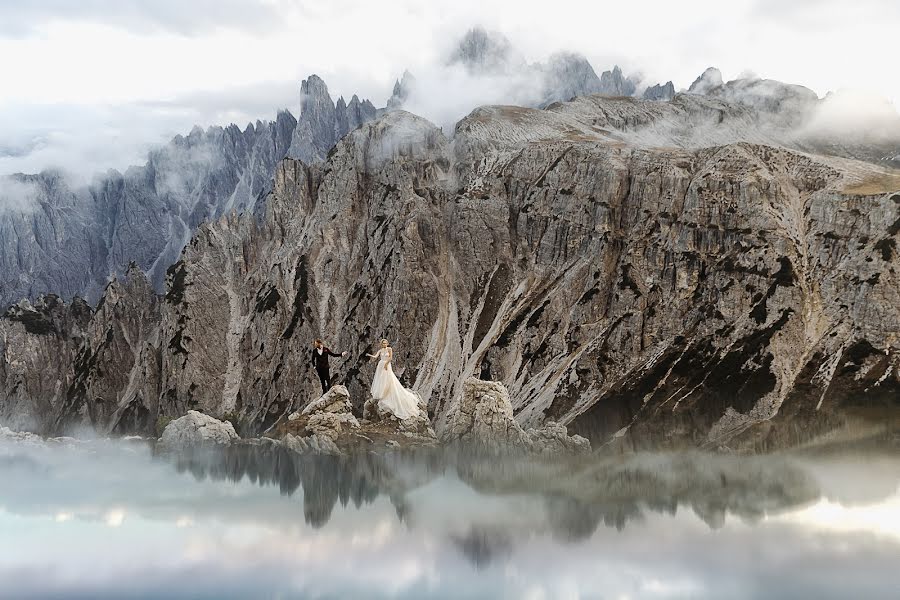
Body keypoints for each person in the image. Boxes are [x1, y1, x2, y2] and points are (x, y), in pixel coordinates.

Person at [366, 339, 420, 420]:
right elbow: (376, 356)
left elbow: (390, 358)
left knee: (389, 377)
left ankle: (388, 390)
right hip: (381, 364)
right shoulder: (381, 350)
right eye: (383, 343)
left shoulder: (389, 349)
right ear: (381, 344)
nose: (384, 344)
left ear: (387, 343)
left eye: (385, 343)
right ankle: (382, 392)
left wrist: (386, 364)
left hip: (386, 364)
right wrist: (369, 355)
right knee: (381, 378)